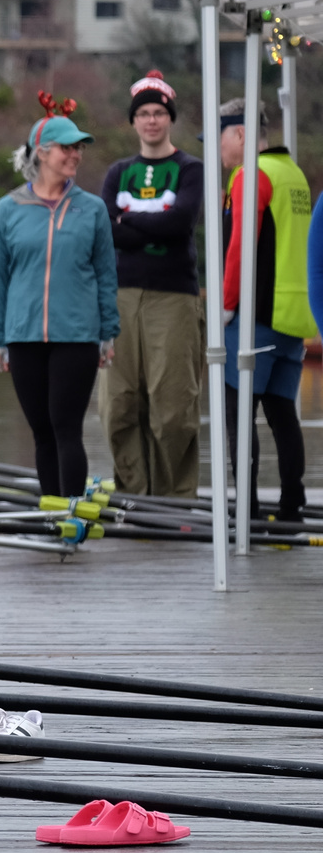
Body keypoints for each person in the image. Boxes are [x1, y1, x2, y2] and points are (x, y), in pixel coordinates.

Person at [0, 91, 120, 498]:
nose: (76, 155)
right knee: (42, 432)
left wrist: (108, 332)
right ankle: (51, 515)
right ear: (42, 153)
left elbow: (105, 273)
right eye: (68, 148)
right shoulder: (7, 209)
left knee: (66, 428)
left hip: (77, 336)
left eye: (79, 149)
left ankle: (71, 517)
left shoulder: (92, 209)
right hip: (23, 335)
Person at [99, 70, 205, 498]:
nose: (151, 121)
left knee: (172, 406)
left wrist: (130, 221)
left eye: (158, 112)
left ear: (170, 118)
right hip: (121, 296)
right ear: (133, 121)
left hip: (173, 297)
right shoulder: (118, 172)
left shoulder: (189, 169)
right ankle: (133, 494)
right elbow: (105, 229)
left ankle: (174, 499)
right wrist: (149, 225)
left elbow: (180, 225)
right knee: (119, 404)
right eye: (143, 113)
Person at [217, 98, 312, 521]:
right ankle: (292, 502)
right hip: (294, 316)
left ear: (239, 134)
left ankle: (248, 511)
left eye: (218, 138)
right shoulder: (294, 174)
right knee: (281, 414)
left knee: (238, 417)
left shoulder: (250, 176)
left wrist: (225, 305)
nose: (215, 149)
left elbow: (241, 247)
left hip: (256, 315)